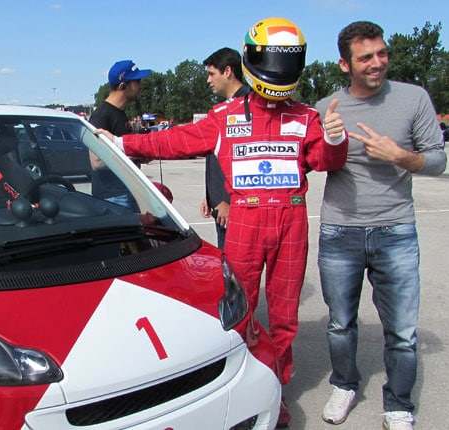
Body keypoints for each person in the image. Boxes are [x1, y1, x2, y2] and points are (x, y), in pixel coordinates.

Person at [97, 17, 347, 427]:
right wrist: (123, 142)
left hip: (291, 219)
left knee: (284, 316)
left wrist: (336, 137)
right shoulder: (225, 116)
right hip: (245, 218)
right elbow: (175, 140)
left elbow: (325, 161)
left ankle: (276, 388)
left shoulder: (306, 117)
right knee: (237, 310)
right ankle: (240, 384)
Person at [314, 21, 447, 430]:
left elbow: (438, 160)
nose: (377, 63)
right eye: (366, 57)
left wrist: (400, 156)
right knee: (340, 323)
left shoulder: (413, 98)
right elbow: (311, 161)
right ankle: (344, 384)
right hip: (340, 231)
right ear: (344, 64)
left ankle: (398, 405)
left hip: (396, 230)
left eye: (382, 53)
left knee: (403, 331)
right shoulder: (326, 108)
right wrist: (329, 140)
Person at [200, 47, 249, 249]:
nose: (208, 80)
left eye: (212, 74)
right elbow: (218, 158)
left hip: (234, 209)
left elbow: (245, 162)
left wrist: (226, 201)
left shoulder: (248, 106)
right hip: (221, 206)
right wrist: (211, 196)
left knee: (234, 264)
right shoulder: (226, 108)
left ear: (227, 71)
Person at [88, 60, 151, 209]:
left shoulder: (119, 113)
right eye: (137, 81)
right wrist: (135, 154)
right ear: (123, 86)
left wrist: (141, 155)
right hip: (113, 196)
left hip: (126, 190)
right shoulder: (101, 115)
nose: (140, 86)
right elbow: (96, 161)